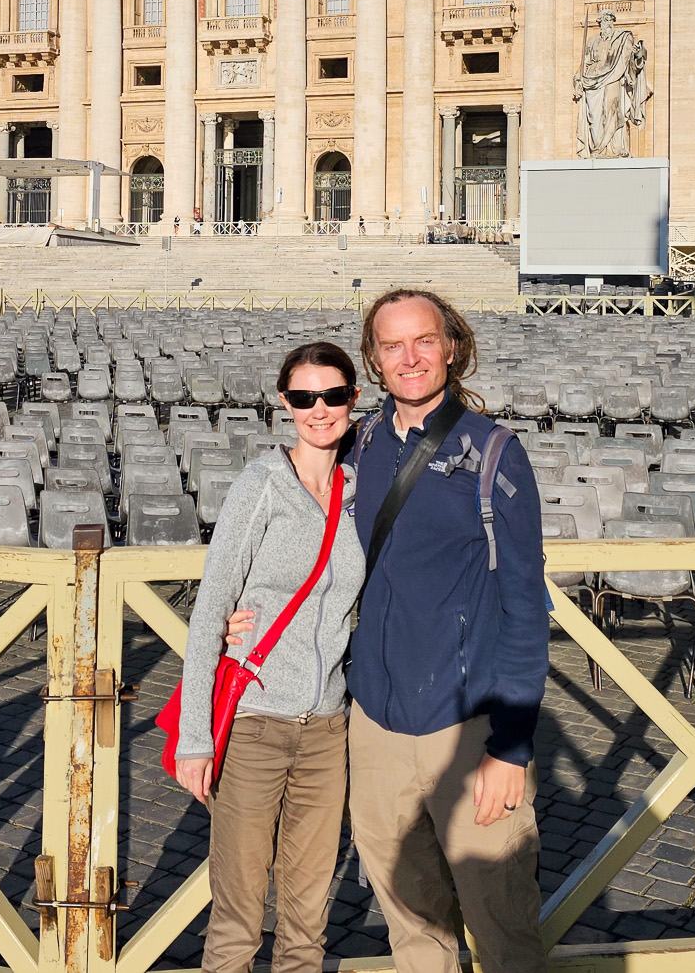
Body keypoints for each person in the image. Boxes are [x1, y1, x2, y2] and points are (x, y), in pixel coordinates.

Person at [228, 290, 547, 973]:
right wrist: (248, 603)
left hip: (467, 725)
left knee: (503, 930)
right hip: (373, 719)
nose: (410, 358)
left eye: (424, 341)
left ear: (452, 346)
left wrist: (511, 748)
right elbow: (309, 535)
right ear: (372, 359)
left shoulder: (495, 455)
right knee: (412, 928)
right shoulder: (362, 443)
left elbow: (526, 609)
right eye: (392, 345)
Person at [175, 342, 365, 973]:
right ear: (285, 403)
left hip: (327, 730)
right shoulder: (260, 484)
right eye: (305, 397)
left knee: (307, 922)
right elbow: (210, 612)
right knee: (237, 917)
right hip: (255, 725)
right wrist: (195, 740)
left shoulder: (361, 492)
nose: (320, 409)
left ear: (352, 400)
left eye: (333, 395)